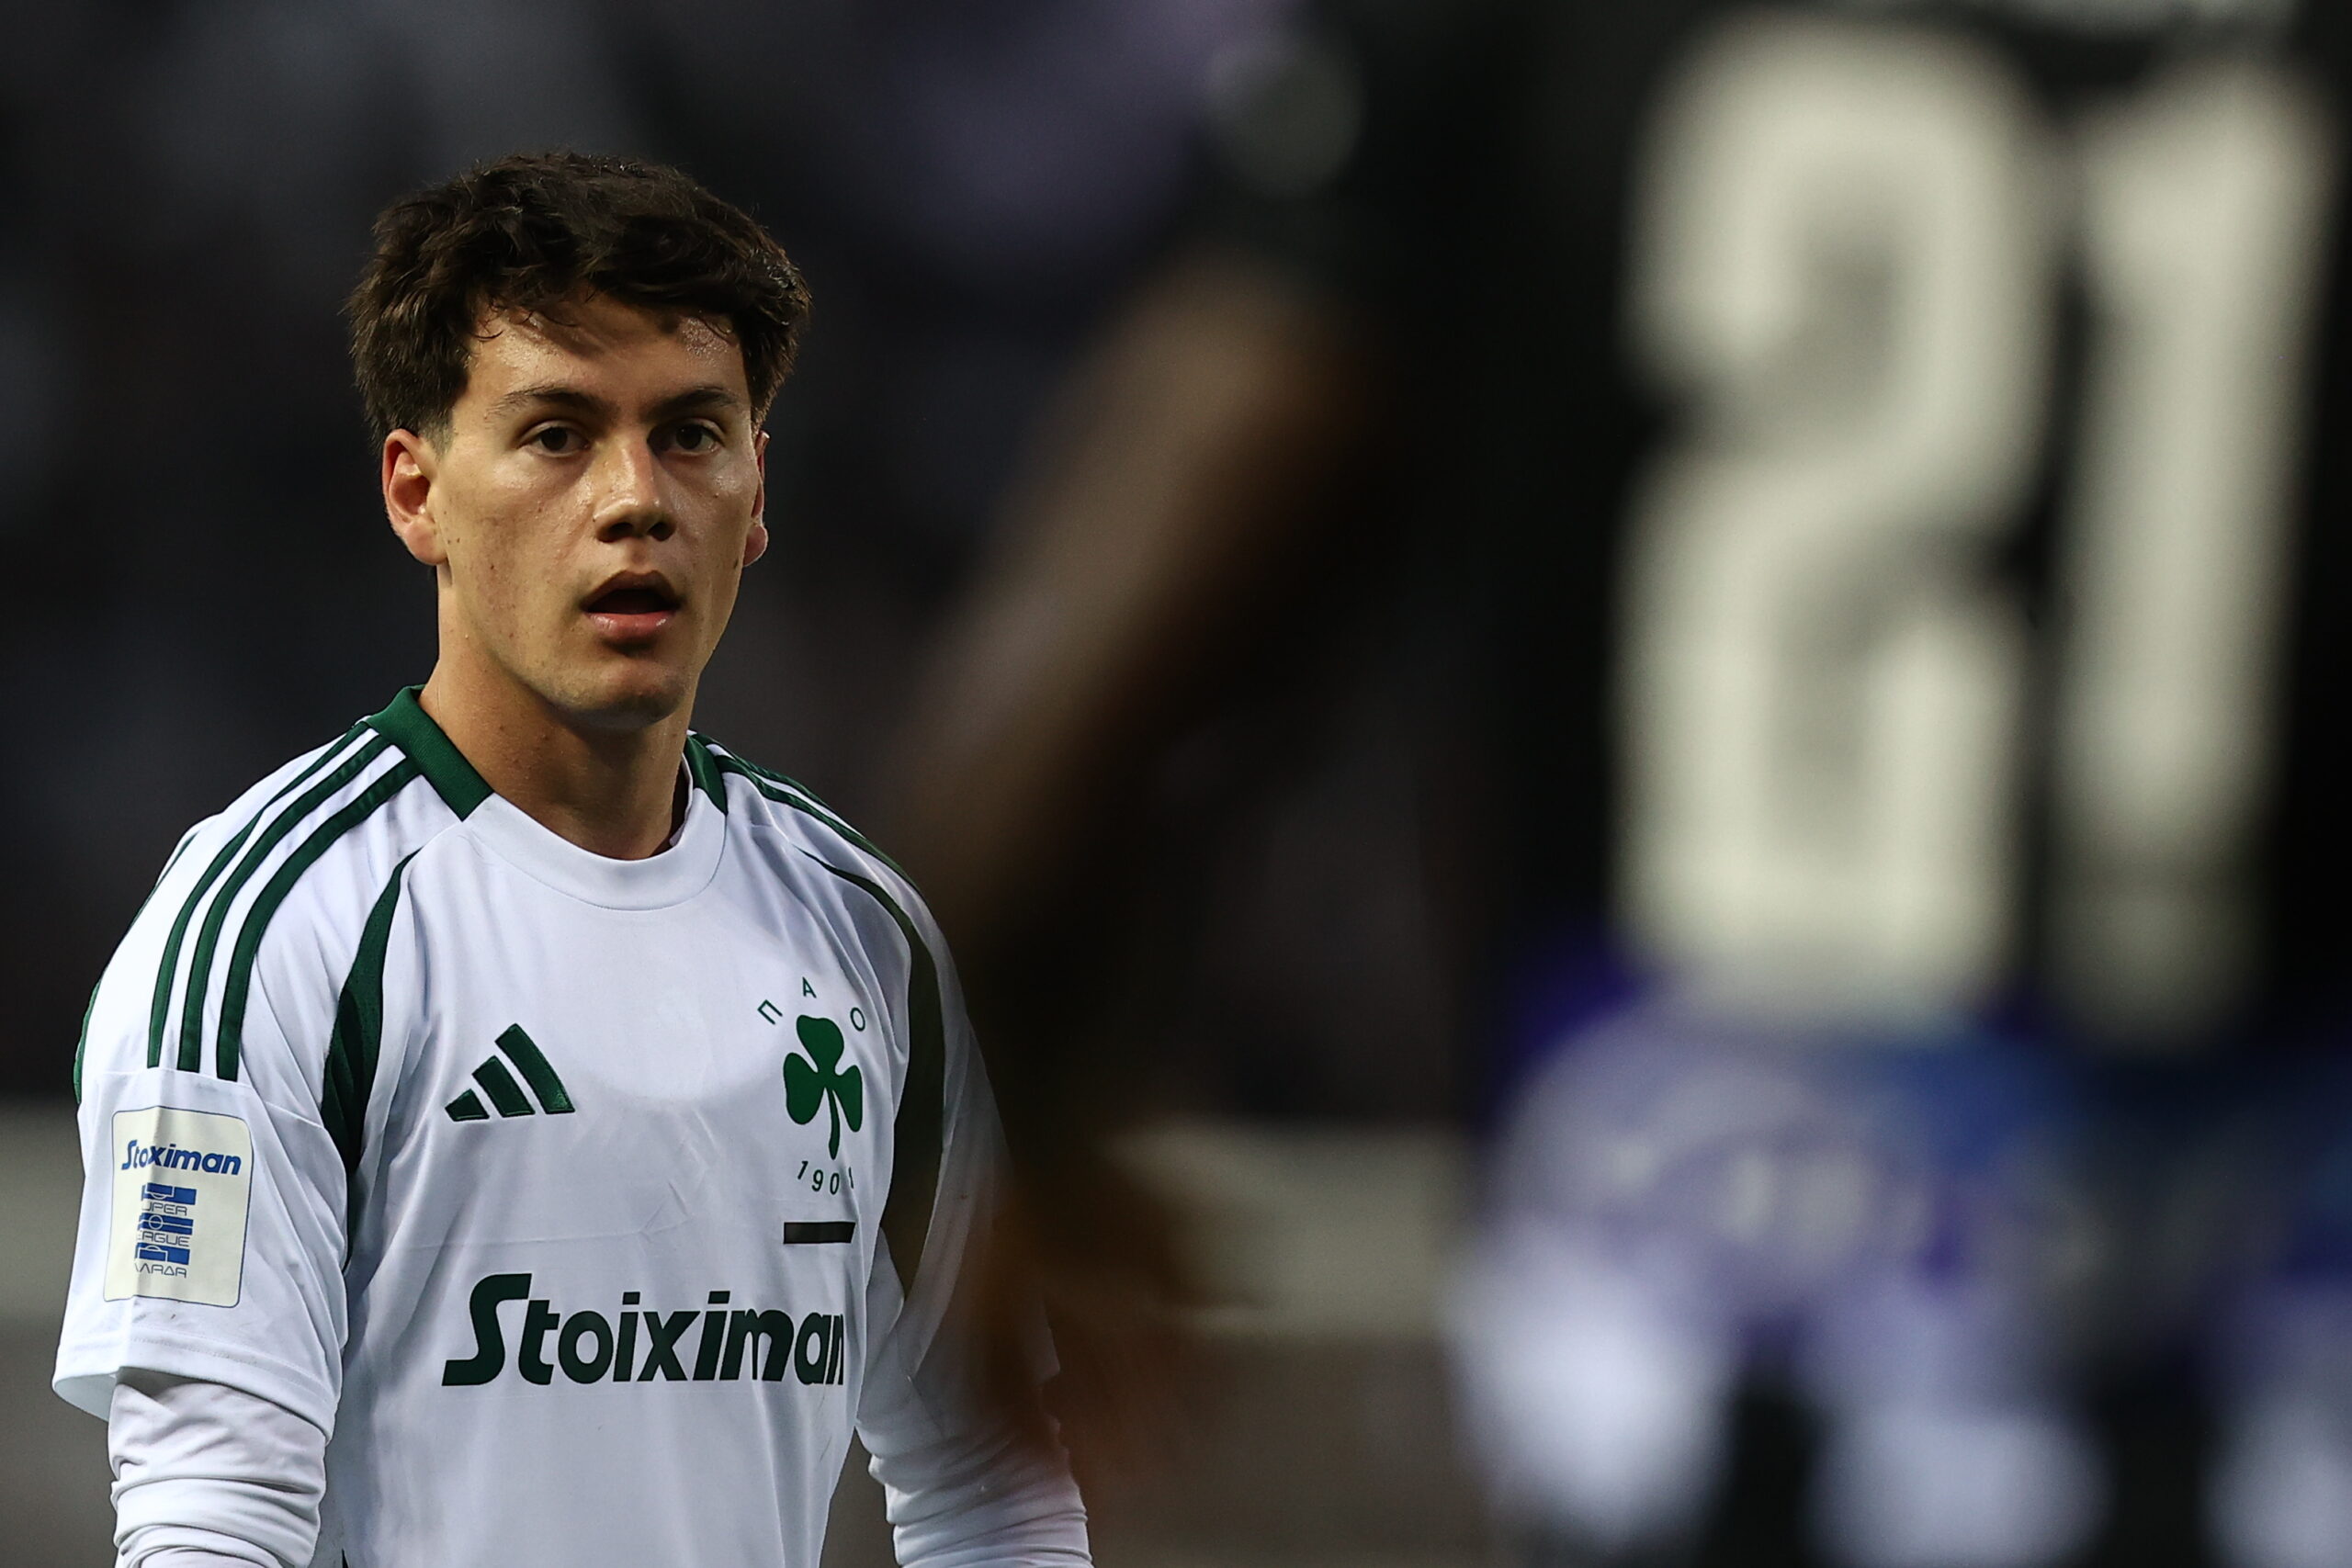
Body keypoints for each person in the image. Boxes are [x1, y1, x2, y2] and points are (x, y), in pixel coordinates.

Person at [52, 151, 1090, 1568]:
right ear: (416, 492)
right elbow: (210, 1518)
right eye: (556, 435)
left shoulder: (867, 938)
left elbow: (994, 1487)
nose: (635, 500)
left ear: (757, 491)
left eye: (691, 434)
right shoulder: (276, 933)